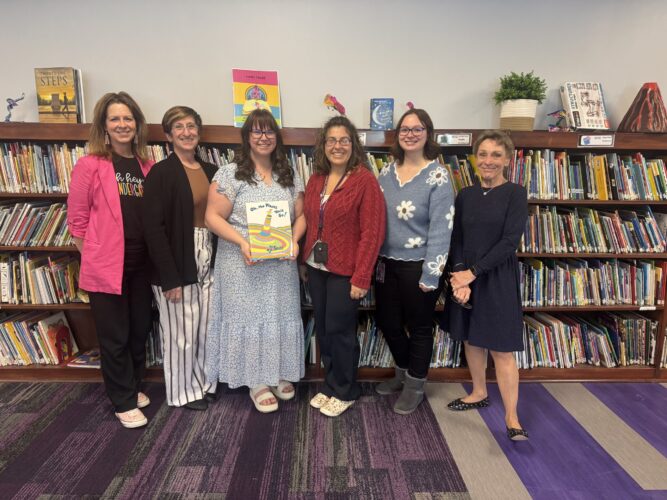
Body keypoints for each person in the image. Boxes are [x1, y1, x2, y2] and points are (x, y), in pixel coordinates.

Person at [204, 109, 305, 413]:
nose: (263, 137)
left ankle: (278, 372)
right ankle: (256, 381)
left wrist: (294, 240)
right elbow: (212, 217)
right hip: (242, 262)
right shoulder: (230, 173)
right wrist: (243, 243)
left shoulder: (289, 174)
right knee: (249, 319)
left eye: (269, 131)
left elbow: (301, 216)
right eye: (257, 131)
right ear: (247, 137)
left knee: (279, 314)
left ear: (277, 137)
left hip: (280, 263)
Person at [67, 92, 154, 428]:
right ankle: (122, 400)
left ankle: (132, 385)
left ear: (137, 124)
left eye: (127, 118)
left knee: (138, 330)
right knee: (114, 336)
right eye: (115, 119)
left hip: (142, 265)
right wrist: (94, 256)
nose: (122, 124)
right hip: (107, 266)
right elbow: (77, 221)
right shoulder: (90, 165)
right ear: (104, 125)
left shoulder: (147, 166)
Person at [443, 130, 529, 441]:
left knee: (501, 348)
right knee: (471, 338)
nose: (488, 160)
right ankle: (478, 391)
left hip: (496, 278)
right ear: (475, 158)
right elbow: (456, 239)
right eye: (483, 154)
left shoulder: (515, 194)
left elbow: (509, 242)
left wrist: (473, 273)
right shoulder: (465, 195)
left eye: (496, 155)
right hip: (464, 278)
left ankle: (512, 417)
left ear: (507, 160)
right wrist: (458, 275)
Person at [301, 116, 386, 417]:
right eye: (332, 140)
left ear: (353, 145)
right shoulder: (317, 178)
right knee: (324, 329)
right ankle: (331, 383)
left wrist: (361, 276)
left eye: (344, 140)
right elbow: (310, 221)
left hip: (345, 271)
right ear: (323, 145)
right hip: (316, 267)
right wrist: (303, 261)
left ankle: (346, 390)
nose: (337, 146)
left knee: (341, 331)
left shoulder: (365, 181)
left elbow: (372, 233)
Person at [374, 108, 455, 414]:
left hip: (419, 264)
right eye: (405, 129)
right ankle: (403, 371)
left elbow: (442, 228)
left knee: (419, 327)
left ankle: (415, 385)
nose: (410, 134)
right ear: (398, 135)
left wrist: (432, 273)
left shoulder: (438, 176)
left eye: (417, 129)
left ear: (427, 134)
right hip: (385, 262)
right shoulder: (386, 172)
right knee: (388, 322)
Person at [143, 106, 218, 411]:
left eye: (191, 126)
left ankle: (204, 383)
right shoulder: (160, 173)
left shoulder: (212, 171)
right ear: (168, 135)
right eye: (179, 127)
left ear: (199, 131)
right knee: (181, 332)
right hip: (177, 258)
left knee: (207, 326)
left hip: (209, 254)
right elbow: (153, 229)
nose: (186, 132)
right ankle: (182, 392)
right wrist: (168, 277)